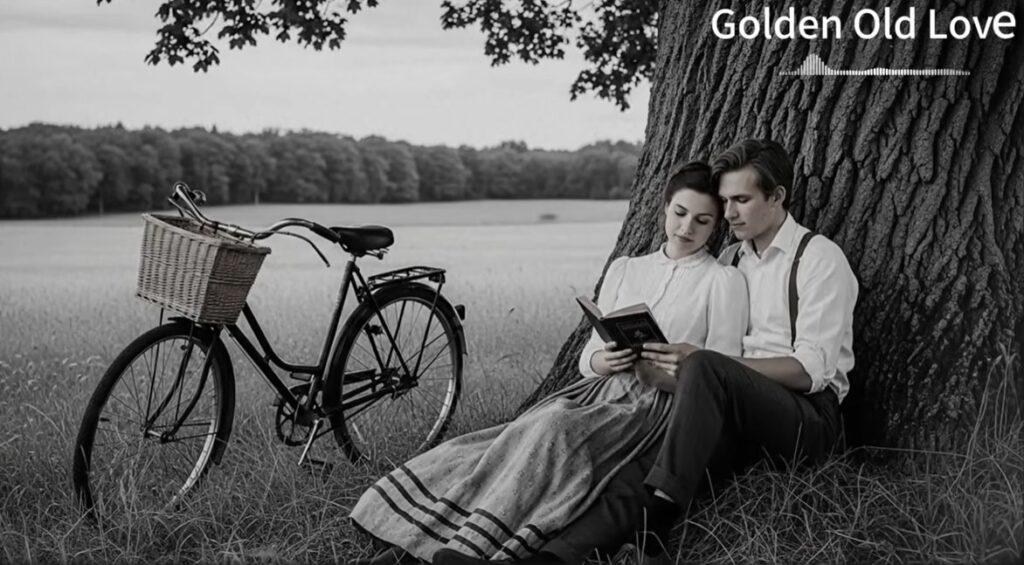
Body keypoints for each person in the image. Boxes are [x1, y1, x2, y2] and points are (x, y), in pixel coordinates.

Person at [434, 138, 859, 565]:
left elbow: (811, 370)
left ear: (777, 196)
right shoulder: (733, 257)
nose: (729, 213)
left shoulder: (818, 258)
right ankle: (550, 559)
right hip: (732, 409)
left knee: (703, 367)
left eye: (742, 200)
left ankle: (657, 524)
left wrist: (703, 364)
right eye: (726, 200)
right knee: (637, 474)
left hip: (806, 418)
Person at [349, 161, 749, 565]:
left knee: (555, 430)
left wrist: (659, 374)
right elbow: (587, 359)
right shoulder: (628, 268)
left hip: (655, 408)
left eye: (702, 220)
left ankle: (467, 548)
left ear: (716, 225)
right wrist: (607, 358)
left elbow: (719, 378)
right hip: (598, 390)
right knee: (506, 443)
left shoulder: (723, 281)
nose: (686, 228)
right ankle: (412, 551)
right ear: (664, 208)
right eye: (680, 213)